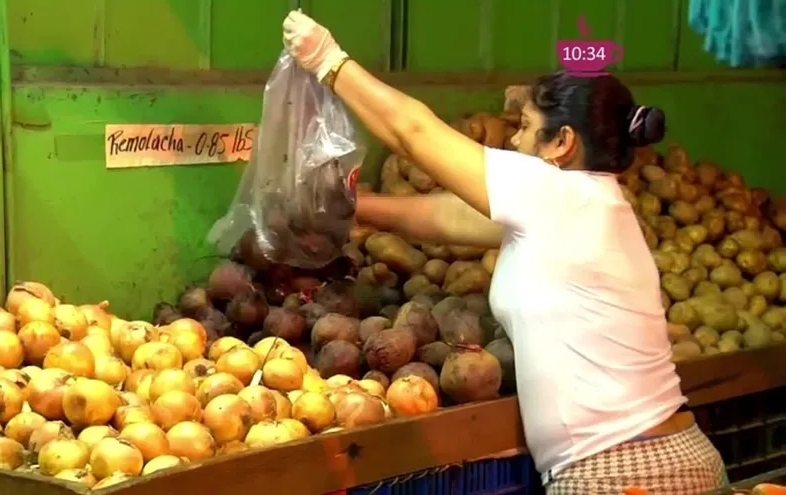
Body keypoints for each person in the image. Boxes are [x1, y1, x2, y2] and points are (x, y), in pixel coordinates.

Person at [282, 10, 728, 494]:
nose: (513, 138)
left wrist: (329, 60)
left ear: (562, 143)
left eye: (526, 126)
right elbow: (450, 218)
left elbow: (414, 132)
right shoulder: (585, 204)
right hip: (670, 456)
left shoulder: (558, 193)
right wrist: (350, 206)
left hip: (621, 473)